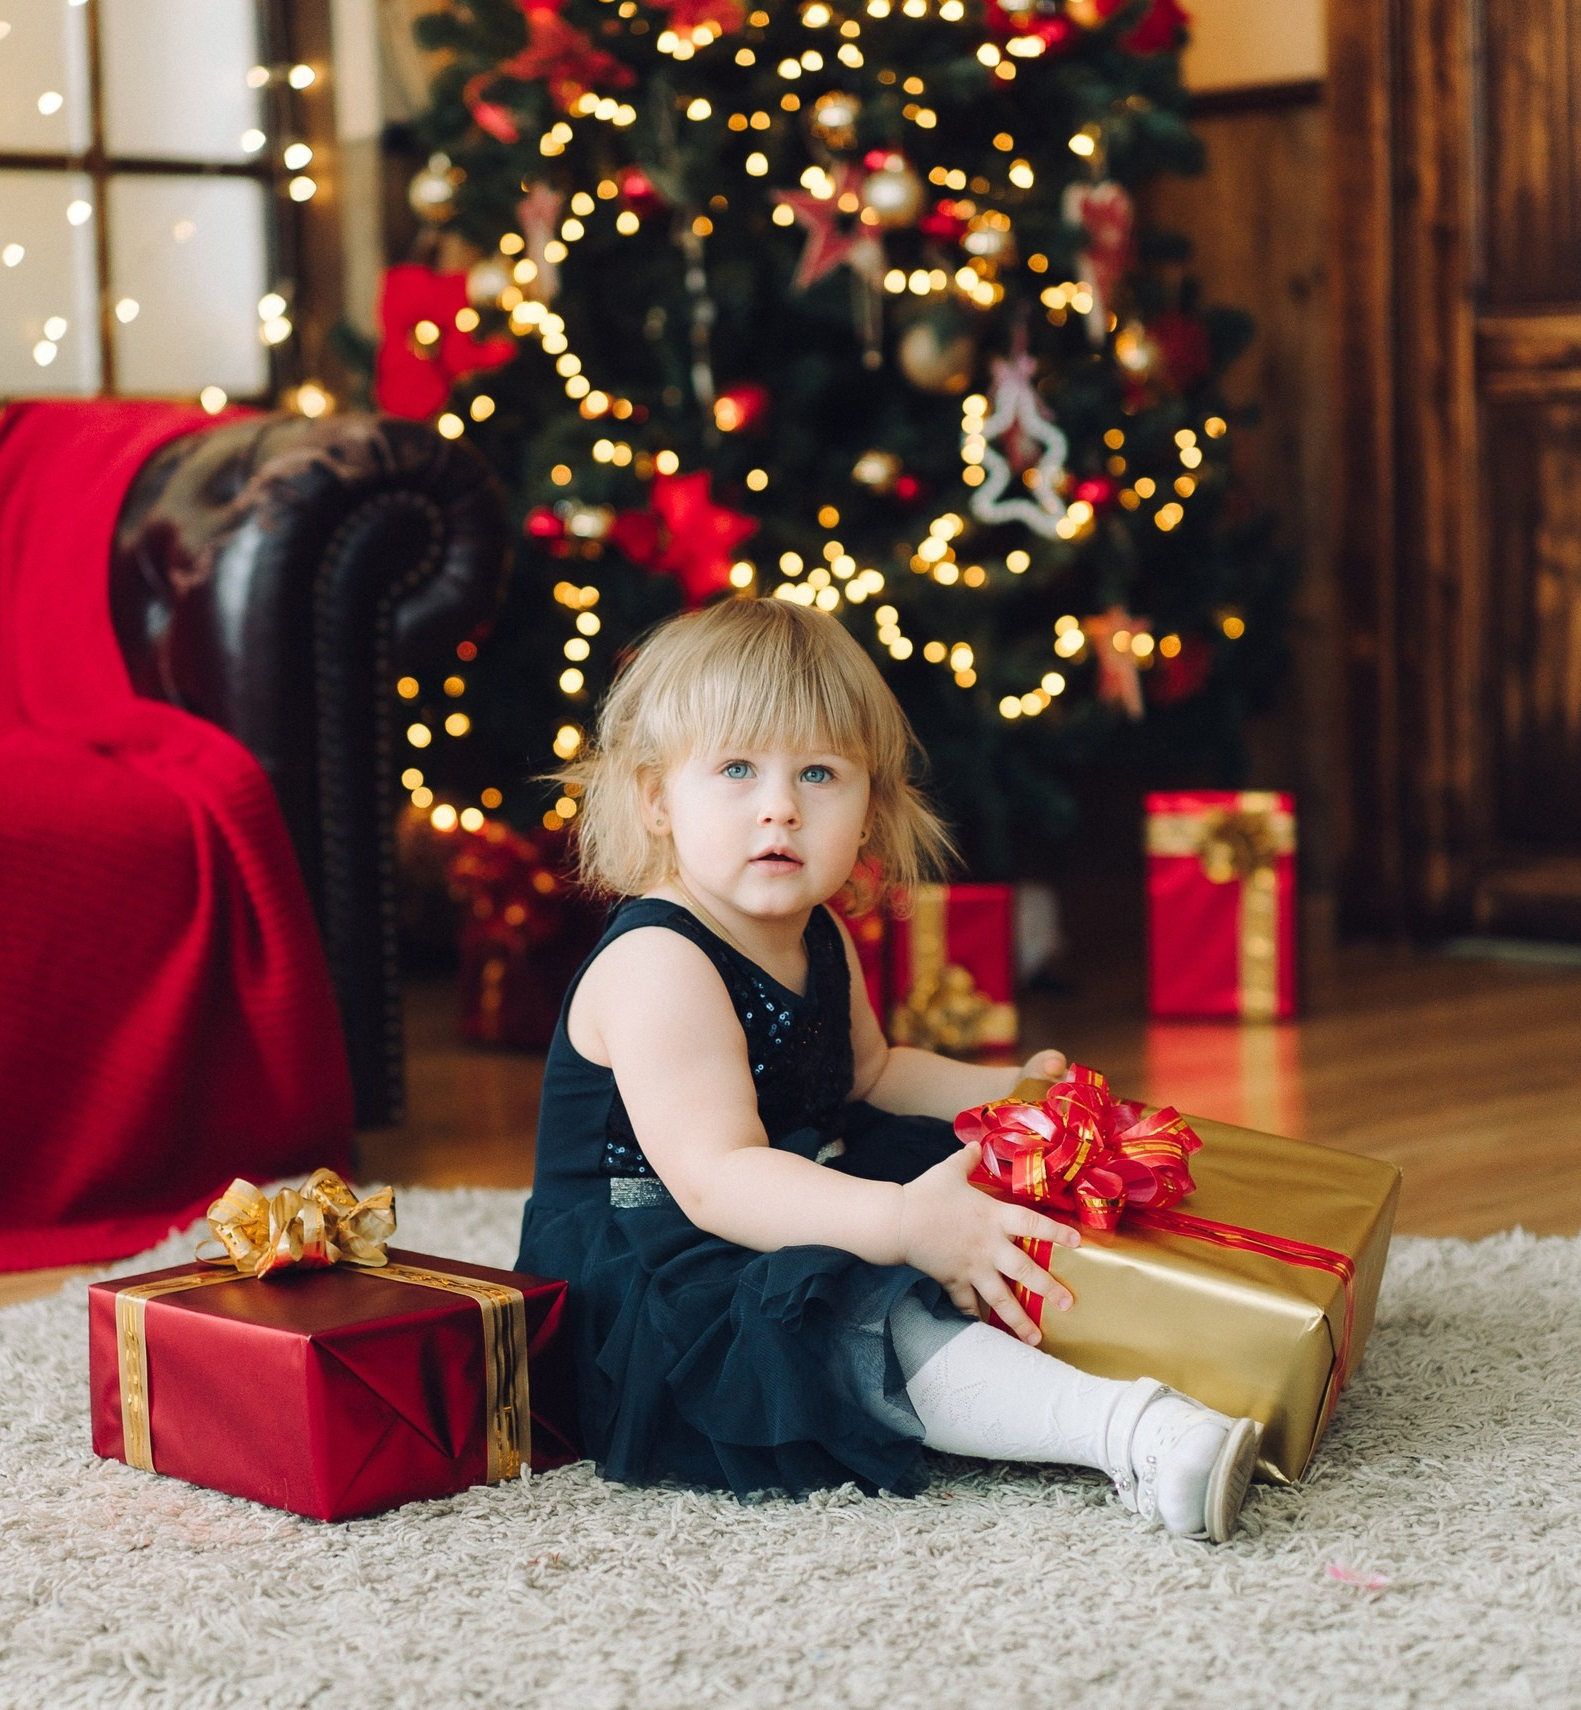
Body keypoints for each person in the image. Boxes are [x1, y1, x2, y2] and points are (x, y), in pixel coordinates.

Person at [517, 598, 1264, 1540]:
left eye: (819, 773)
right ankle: (1129, 1431)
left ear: (871, 804)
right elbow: (716, 1181)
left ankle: (1178, 1338)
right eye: (737, 769)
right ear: (657, 800)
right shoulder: (660, 961)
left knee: (990, 1178)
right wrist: (903, 1223)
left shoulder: (816, 929)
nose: (779, 805)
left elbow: (868, 1073)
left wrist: (1012, 1092)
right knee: (857, 1307)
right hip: (660, 1271)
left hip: (793, 1179)